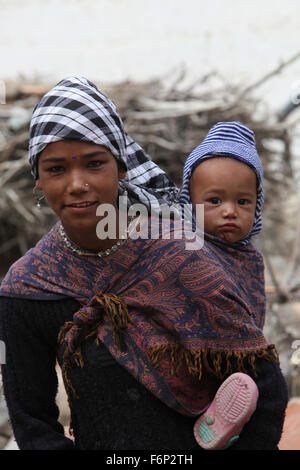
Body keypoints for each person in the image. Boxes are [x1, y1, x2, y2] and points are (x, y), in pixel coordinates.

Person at [0, 78, 287, 450]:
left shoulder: (177, 254)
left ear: (120, 168)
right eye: (56, 169)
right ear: (37, 179)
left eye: (94, 164)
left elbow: (264, 385)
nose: (77, 184)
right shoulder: (28, 288)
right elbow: (32, 422)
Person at [179, 121, 288, 449]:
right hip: (187, 368)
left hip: (238, 377)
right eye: (214, 201)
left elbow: (250, 319)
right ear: (189, 202)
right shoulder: (180, 251)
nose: (230, 212)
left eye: (243, 202)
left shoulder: (250, 260)